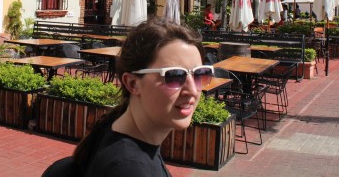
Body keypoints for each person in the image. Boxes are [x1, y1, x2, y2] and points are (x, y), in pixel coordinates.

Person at [43, 19, 212, 177]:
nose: (192, 90)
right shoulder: (129, 169)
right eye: (174, 75)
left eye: (200, 74)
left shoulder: (113, 128)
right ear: (132, 83)